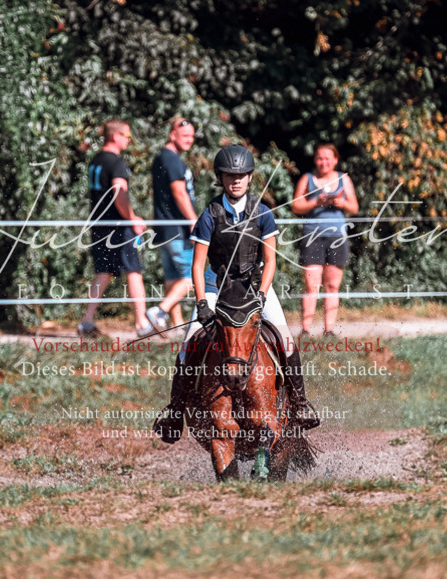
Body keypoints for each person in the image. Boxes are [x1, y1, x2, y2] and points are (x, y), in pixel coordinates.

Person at [153, 144, 320, 441]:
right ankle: (175, 413)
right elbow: (198, 263)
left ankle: (299, 403)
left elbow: (270, 261)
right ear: (221, 178)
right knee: (188, 344)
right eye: (230, 175)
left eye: (242, 175)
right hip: (217, 287)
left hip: (254, 288)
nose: (236, 180)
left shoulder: (264, 213)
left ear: (250, 177)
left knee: (285, 339)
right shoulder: (209, 215)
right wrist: (202, 302)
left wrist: (263, 294)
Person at [78, 118, 152, 337]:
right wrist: (133, 219)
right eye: (127, 136)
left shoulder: (96, 161)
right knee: (134, 270)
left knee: (104, 271)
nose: (129, 140)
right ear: (116, 136)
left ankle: (87, 321)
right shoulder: (116, 163)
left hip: (99, 223)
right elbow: (119, 194)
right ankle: (142, 324)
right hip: (118, 226)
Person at [291, 142, 359, 336]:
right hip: (312, 235)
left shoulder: (343, 179)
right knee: (311, 283)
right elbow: (296, 206)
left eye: (328, 158)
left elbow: (354, 207)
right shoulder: (307, 179)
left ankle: (329, 329)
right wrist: (316, 202)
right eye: (320, 158)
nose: (324, 162)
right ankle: (305, 329)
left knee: (332, 285)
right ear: (315, 160)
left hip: (337, 236)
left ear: (335, 160)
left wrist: (342, 202)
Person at [146, 116, 198, 333]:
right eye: (185, 135)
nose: (189, 140)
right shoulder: (172, 159)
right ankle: (160, 311)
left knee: (172, 277)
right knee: (190, 277)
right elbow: (179, 192)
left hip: (164, 227)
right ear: (172, 135)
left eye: (192, 136)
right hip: (176, 228)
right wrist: (193, 220)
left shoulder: (164, 157)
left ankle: (175, 326)